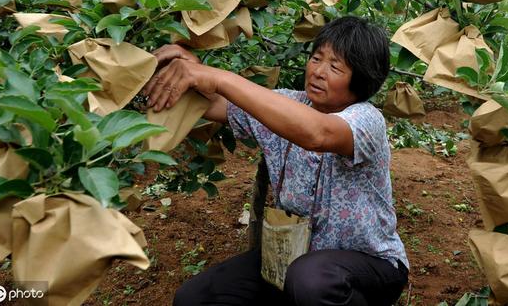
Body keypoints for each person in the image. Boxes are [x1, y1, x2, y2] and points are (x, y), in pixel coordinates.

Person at [143, 16, 409, 306]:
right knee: (193, 298)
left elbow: (318, 132)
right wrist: (185, 70)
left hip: (367, 269)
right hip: (291, 254)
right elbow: (217, 103)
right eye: (316, 58)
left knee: (311, 280)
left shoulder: (367, 120)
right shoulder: (288, 104)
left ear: (361, 78)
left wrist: (215, 75)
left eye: (335, 67)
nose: (319, 72)